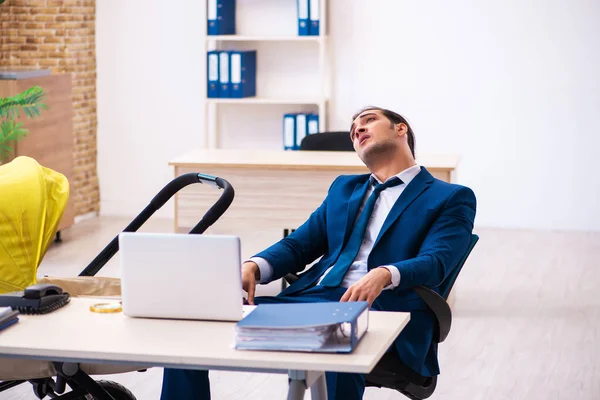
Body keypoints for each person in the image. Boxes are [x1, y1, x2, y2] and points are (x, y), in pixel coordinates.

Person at [160, 106, 477, 400]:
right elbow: (300, 244)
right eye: (353, 130)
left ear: (400, 130)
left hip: (382, 307)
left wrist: (384, 274)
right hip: (310, 299)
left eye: (367, 121)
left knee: (334, 343)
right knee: (192, 330)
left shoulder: (449, 196)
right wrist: (254, 266)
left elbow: (438, 261)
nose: (357, 131)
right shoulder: (344, 188)